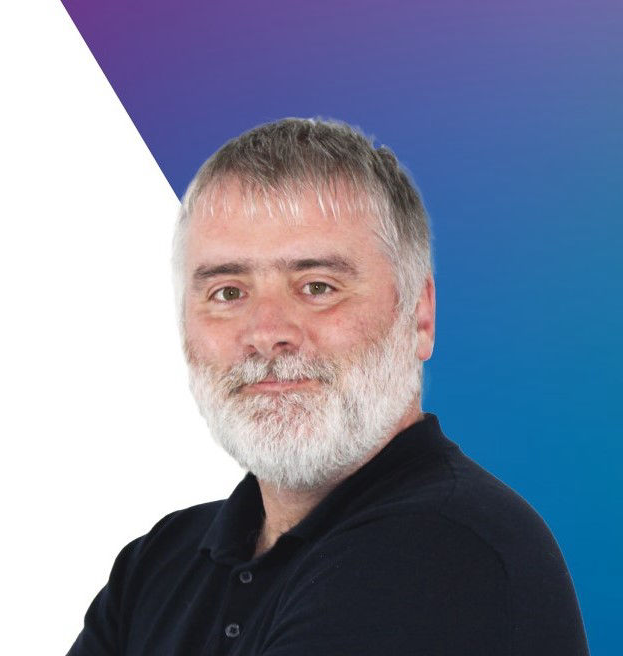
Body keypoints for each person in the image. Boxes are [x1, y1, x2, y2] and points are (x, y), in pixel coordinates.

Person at [67, 118, 589, 655]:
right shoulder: (158, 565)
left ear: (420, 315)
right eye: (227, 292)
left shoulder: (443, 551)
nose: (267, 334)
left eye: (317, 287)